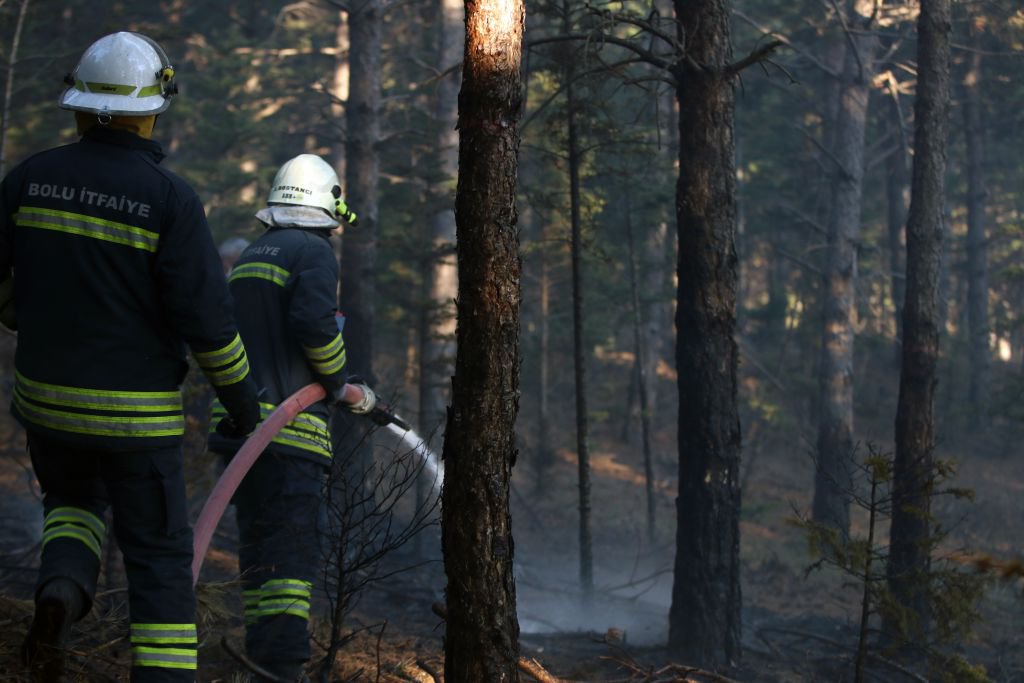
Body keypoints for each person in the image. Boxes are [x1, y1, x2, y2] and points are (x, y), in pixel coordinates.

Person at [0, 32, 261, 682]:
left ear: (79, 106)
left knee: (72, 503)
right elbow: (209, 326)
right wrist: (244, 406)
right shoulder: (169, 201)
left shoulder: (29, 178)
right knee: (159, 558)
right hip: (136, 422)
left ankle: (61, 589)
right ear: (152, 109)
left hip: (47, 406)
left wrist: (26, 313)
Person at [207, 154, 373, 683]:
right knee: (292, 556)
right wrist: (337, 381)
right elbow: (313, 323)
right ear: (329, 209)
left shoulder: (255, 252)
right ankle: (281, 668)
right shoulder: (314, 251)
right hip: (288, 435)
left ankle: (262, 659)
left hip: (239, 433)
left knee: (259, 552)